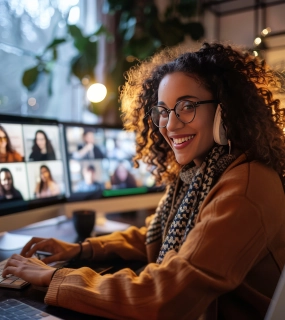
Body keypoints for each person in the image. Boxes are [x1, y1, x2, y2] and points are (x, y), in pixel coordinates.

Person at [2, 42, 285, 319]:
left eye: (187, 106)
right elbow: (153, 237)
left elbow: (166, 296)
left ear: (224, 109)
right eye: (163, 111)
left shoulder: (245, 187)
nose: (171, 125)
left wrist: (55, 277)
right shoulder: (202, 174)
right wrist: (81, 249)